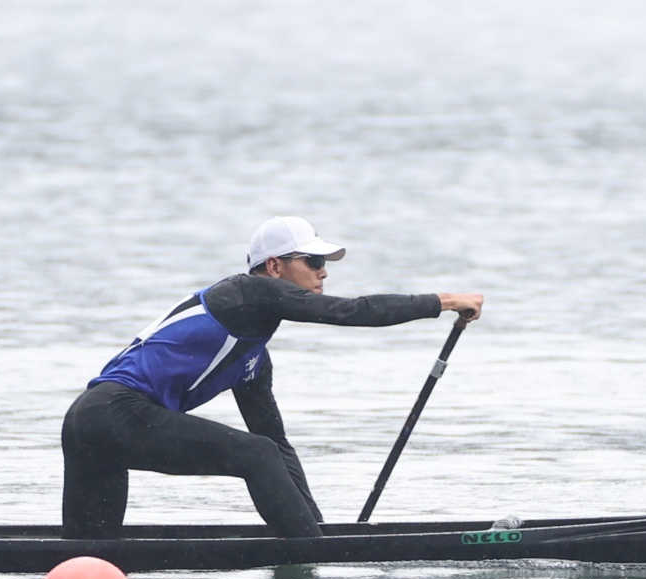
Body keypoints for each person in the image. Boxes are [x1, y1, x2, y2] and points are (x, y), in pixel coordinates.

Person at [62, 217, 484, 538]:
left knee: (92, 556)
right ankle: (307, 551)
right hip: (115, 413)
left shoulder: (253, 360)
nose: (323, 272)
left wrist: (319, 527)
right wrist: (445, 301)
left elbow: (278, 445)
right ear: (274, 266)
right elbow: (352, 311)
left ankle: (309, 541)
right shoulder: (245, 292)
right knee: (255, 454)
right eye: (313, 261)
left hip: (90, 423)